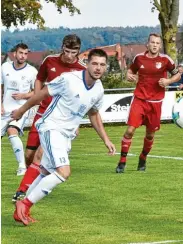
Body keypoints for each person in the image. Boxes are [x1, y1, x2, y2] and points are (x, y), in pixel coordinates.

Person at [12, 49, 116, 226]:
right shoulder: (69, 79)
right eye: (95, 63)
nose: (98, 68)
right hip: (51, 127)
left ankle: (23, 209)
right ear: (87, 64)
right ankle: (24, 203)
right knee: (63, 172)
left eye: (102, 64)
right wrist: (21, 111)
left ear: (106, 67)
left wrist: (106, 140)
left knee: (46, 172)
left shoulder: (98, 89)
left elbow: (94, 114)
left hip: (66, 135)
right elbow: (42, 94)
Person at [12, 34, 86, 202]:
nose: (69, 55)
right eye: (66, 51)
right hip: (42, 113)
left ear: (78, 52)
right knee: (30, 155)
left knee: (40, 154)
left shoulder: (81, 69)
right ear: (62, 48)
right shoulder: (50, 61)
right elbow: (39, 80)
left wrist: (76, 124)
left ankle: (22, 192)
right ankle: (39, 183)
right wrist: (38, 98)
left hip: (58, 120)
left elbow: (81, 98)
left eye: (73, 52)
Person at [115, 33, 181, 173]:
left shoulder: (165, 60)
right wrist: (129, 76)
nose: (155, 45)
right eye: (152, 42)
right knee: (130, 130)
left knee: (150, 135)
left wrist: (168, 81)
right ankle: (122, 162)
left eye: (157, 43)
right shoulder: (139, 58)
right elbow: (130, 71)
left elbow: (178, 75)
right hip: (139, 99)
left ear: (160, 45)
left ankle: (143, 158)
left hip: (156, 102)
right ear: (148, 44)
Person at [1, 43, 38, 176]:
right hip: (4, 110)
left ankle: (22, 167)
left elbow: (37, 92)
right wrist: (0, 105)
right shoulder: (4, 67)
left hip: (21, 110)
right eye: (21, 53)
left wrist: (24, 95)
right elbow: (1, 87)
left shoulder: (32, 71)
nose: (23, 56)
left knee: (12, 131)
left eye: (25, 53)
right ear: (14, 54)